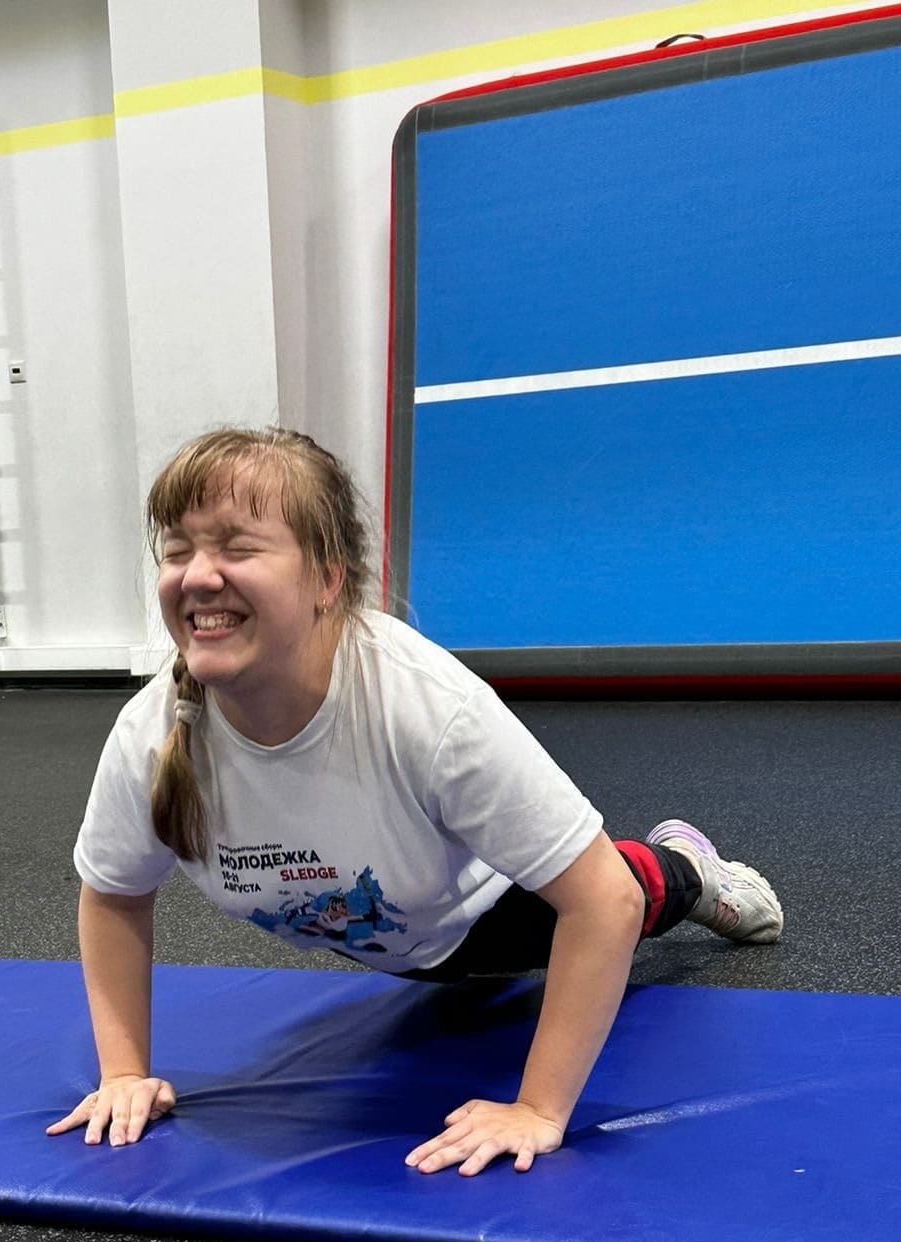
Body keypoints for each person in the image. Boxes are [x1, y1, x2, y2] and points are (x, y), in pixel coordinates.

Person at [48, 427, 782, 1176]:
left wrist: (537, 1110)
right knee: (457, 992)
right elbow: (113, 895)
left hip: (494, 908)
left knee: (627, 885)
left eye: (237, 548)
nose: (199, 576)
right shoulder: (153, 735)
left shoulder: (424, 706)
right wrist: (124, 1073)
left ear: (327, 579)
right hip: (396, 938)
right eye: (177, 550)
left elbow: (602, 903)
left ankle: (688, 866)